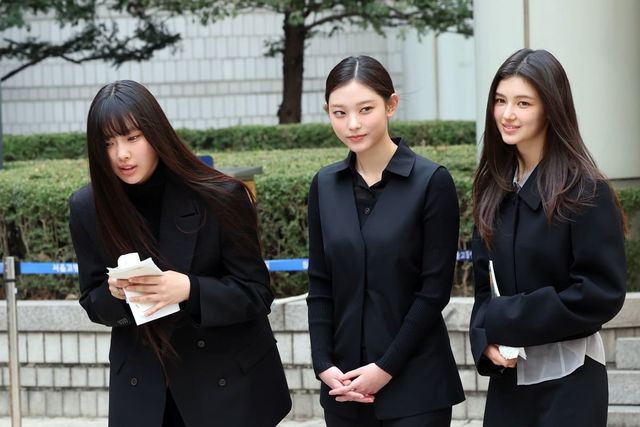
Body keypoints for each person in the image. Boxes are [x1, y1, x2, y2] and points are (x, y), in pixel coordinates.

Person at [68, 80, 291, 427]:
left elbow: (256, 293)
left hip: (225, 387)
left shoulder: (221, 196)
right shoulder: (88, 207)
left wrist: (189, 289)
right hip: (145, 390)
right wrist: (118, 295)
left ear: (156, 133)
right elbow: (92, 300)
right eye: (108, 143)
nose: (121, 154)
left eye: (132, 137)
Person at [469, 48, 627, 426]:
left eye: (523, 103)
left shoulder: (585, 190)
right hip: (508, 382)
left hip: (571, 382)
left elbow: (599, 293)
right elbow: (484, 290)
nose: (507, 114)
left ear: (550, 109)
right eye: (500, 101)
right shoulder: (493, 188)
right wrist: (484, 339)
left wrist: (506, 317)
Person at [306, 55, 465, 426]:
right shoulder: (325, 185)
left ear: (391, 105)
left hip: (416, 387)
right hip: (343, 387)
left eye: (365, 109)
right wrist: (323, 364)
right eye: (339, 113)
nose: (353, 124)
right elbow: (320, 283)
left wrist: (385, 368)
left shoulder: (431, 182)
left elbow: (433, 293)